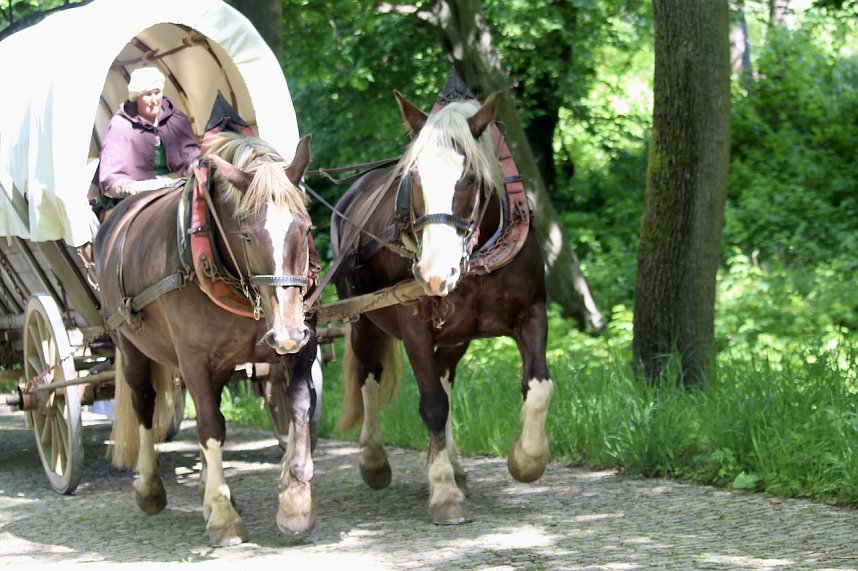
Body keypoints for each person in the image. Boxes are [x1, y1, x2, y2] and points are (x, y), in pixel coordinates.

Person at [96, 66, 200, 211]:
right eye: (147, 94)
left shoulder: (175, 118)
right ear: (136, 97)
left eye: (157, 93)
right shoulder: (122, 125)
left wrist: (195, 165)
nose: (153, 100)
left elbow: (189, 152)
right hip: (139, 192)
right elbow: (112, 173)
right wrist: (130, 187)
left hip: (176, 184)